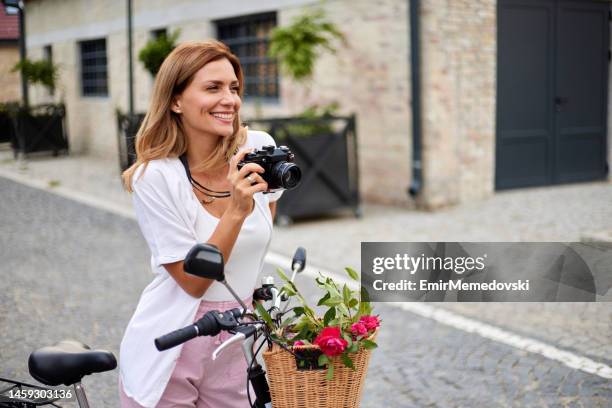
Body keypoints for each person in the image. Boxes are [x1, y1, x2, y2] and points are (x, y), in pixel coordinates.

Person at [118, 40, 282, 408]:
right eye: (213, 88)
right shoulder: (154, 178)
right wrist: (236, 210)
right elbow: (193, 282)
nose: (230, 100)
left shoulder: (257, 147)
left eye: (234, 88)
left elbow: (258, 238)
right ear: (176, 101)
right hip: (174, 341)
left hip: (238, 337)